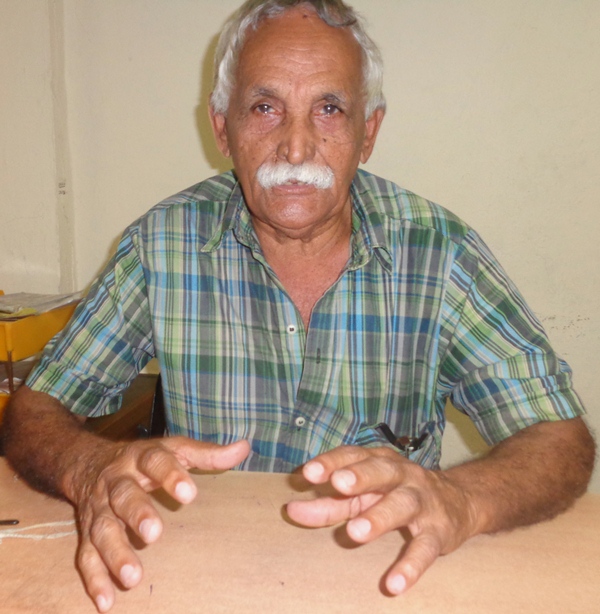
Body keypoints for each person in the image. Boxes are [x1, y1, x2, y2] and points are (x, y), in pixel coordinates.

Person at [3, 0, 595, 611]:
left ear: (369, 132)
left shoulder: (440, 253)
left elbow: (559, 437)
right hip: (200, 578)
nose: (294, 147)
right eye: (265, 108)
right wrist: (89, 467)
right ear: (221, 128)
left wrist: (461, 500)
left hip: (384, 582)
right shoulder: (162, 245)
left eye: (329, 109)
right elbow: (38, 405)